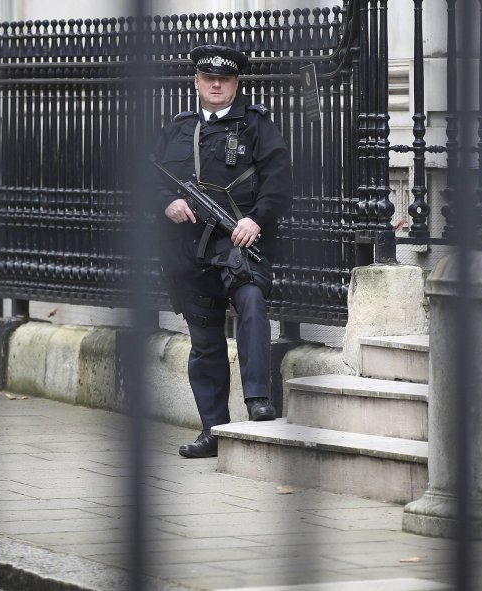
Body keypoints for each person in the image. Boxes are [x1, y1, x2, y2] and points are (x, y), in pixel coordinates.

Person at [153, 44, 292, 459]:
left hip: (240, 244)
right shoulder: (178, 129)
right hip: (190, 253)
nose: (216, 85)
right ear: (196, 82)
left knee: (251, 303)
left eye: (225, 79)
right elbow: (149, 178)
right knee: (205, 343)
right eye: (209, 78)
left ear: (235, 83)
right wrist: (166, 203)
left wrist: (256, 219)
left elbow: (279, 183)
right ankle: (213, 429)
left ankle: (257, 399)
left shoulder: (255, 126)